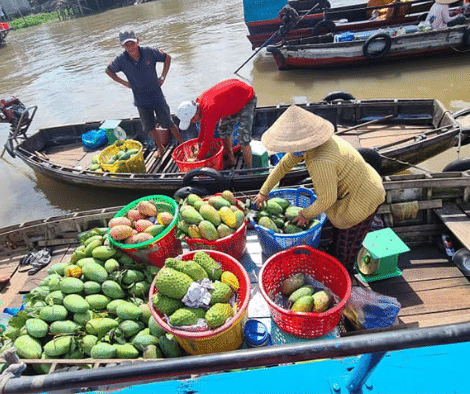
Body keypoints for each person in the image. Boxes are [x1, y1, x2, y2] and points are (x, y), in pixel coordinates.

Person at [254, 105, 386, 275]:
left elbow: (327, 199)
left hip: (363, 198)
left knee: (346, 248)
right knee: (336, 238)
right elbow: (284, 165)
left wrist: (305, 214)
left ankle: (344, 275)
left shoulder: (320, 160)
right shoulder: (312, 145)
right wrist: (264, 191)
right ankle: (333, 260)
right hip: (349, 191)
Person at [105, 30, 183, 158]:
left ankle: (181, 144)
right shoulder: (121, 60)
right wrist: (124, 83)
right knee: (149, 126)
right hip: (140, 99)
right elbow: (108, 71)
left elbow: (167, 57)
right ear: (122, 46)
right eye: (127, 45)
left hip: (156, 95)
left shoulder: (148, 52)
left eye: (132, 43)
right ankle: (160, 148)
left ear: (138, 41)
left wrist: (163, 77)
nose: (130, 47)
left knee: (168, 122)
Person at [177, 79, 257, 169]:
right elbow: (203, 125)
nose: (191, 122)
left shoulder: (209, 111)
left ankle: (250, 170)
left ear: (195, 115)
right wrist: (199, 140)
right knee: (223, 129)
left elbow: (208, 141)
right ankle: (231, 159)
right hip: (232, 100)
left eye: (190, 120)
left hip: (247, 97)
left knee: (243, 139)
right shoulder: (198, 103)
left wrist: (198, 160)